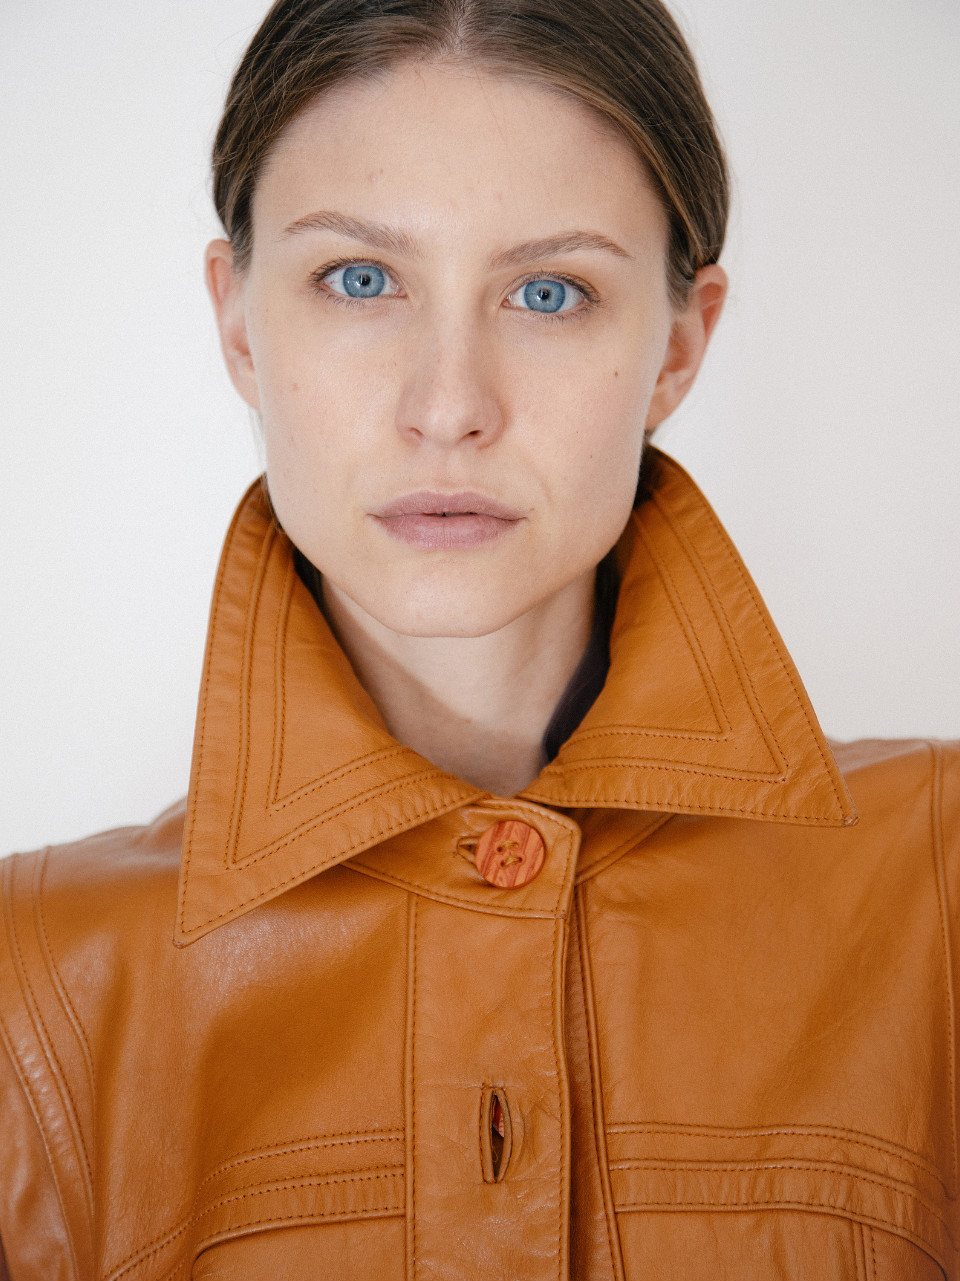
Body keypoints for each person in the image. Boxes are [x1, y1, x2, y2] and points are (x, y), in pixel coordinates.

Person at [1, 0, 956, 1277]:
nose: (448, 406)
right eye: (360, 280)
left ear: (679, 346)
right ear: (238, 324)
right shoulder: (31, 986)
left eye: (549, 293)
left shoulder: (941, 892)